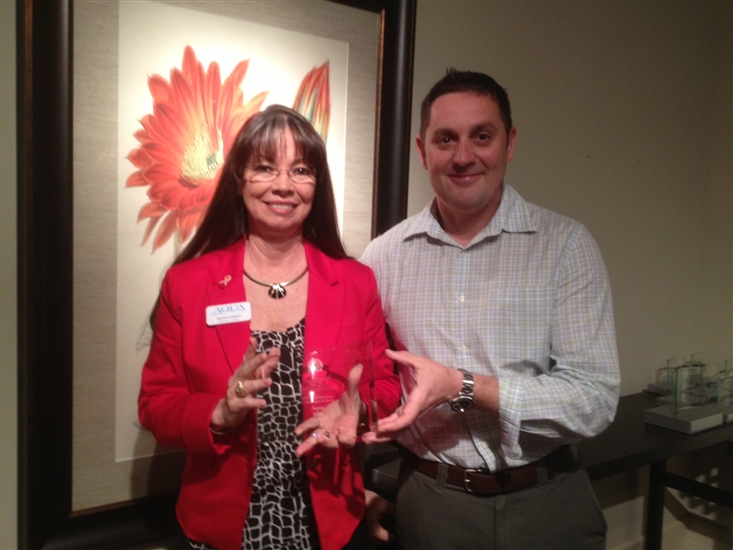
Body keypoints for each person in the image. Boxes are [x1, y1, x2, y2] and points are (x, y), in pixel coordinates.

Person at [361, 69, 620, 549]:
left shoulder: (566, 246)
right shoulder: (381, 258)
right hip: (430, 504)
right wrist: (357, 485)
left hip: (547, 502)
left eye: (482, 136)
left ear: (509, 143)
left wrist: (464, 387)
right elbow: (367, 383)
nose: (463, 156)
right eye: (446, 139)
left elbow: (595, 398)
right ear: (422, 150)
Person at [138, 105, 400, 550]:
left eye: (300, 170)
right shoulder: (188, 284)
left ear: (317, 184)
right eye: (264, 168)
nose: (283, 184)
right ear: (239, 179)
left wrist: (358, 410)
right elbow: (155, 405)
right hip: (222, 528)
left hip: (331, 524)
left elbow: (387, 387)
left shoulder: (355, 282)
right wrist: (218, 414)